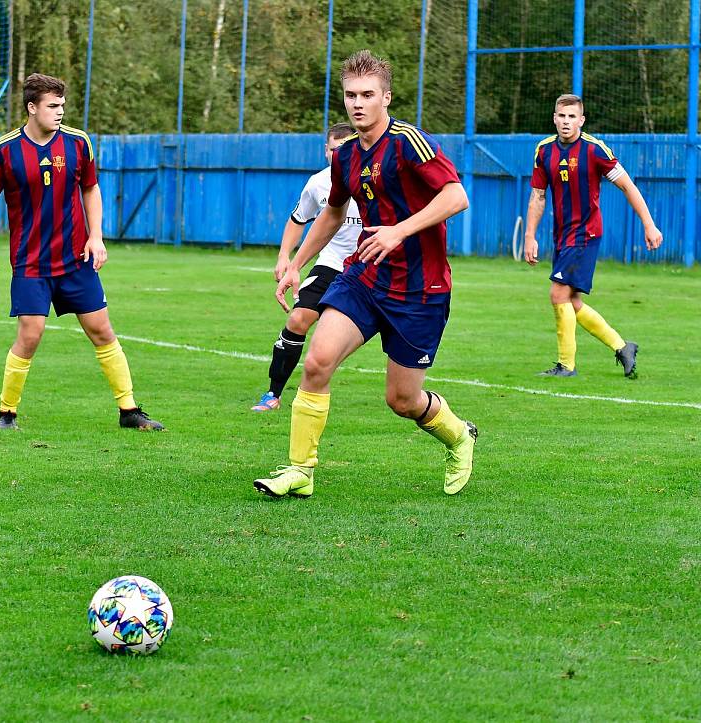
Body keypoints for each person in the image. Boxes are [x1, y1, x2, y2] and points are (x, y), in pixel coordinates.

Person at [253, 49, 475, 499]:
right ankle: (300, 471)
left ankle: (458, 437)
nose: (357, 103)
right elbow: (332, 212)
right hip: (364, 278)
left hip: (420, 290)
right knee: (317, 361)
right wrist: (295, 264)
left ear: (386, 98)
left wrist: (399, 231)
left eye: (367, 95)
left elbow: (456, 196)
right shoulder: (347, 156)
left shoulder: (409, 141)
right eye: (351, 95)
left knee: (403, 401)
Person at [0, 73, 163, 431]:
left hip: (76, 258)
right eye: (52, 106)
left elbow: (91, 189)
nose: (60, 111)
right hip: (30, 262)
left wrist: (97, 237)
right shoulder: (4, 149)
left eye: (62, 105)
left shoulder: (78, 143)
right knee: (30, 335)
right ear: (32, 108)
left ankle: (129, 410)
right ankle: (7, 413)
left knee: (102, 330)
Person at [524, 94, 663, 378]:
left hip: (585, 233)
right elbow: (538, 196)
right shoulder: (544, 151)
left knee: (557, 293)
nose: (566, 121)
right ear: (554, 118)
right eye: (561, 116)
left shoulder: (594, 150)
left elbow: (628, 186)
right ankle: (622, 347)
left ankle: (566, 366)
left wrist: (649, 224)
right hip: (562, 236)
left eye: (572, 116)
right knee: (571, 301)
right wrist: (529, 236)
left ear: (581, 120)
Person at [251, 123, 362, 412]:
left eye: (344, 149)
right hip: (332, 263)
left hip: (370, 268)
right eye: (333, 150)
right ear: (326, 151)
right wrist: (285, 258)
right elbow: (298, 219)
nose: (338, 155)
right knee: (297, 321)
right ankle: (273, 394)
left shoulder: (373, 180)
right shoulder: (318, 183)